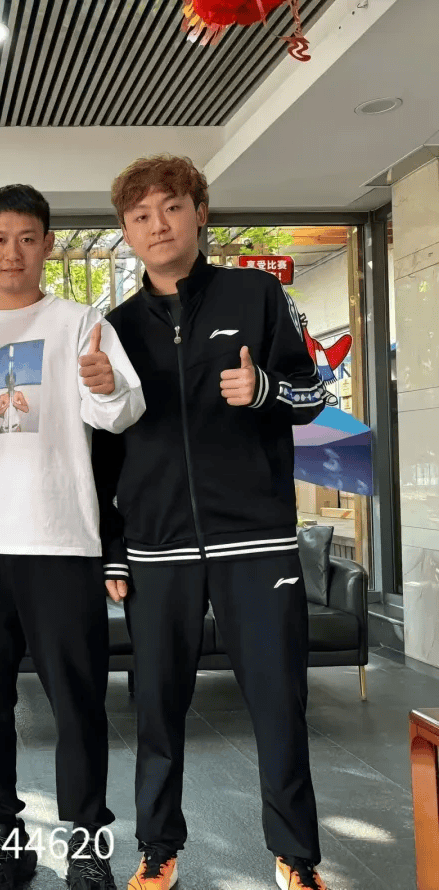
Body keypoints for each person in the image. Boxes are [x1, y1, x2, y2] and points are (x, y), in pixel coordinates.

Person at [93, 155, 334, 890]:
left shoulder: (256, 294)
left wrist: (263, 389)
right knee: (156, 710)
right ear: (126, 232)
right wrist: (113, 548)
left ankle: (296, 858)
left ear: (199, 212)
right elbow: (104, 449)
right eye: (140, 216)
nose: (157, 225)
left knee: (279, 704)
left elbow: (312, 394)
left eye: (171, 207)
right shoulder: (115, 328)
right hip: (156, 548)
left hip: (257, 542)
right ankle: (158, 849)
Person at [0, 184, 146, 890]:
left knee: (78, 704)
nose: (13, 253)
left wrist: (105, 383)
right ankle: (2, 835)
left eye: (27, 238)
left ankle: (86, 845)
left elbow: (118, 412)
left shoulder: (80, 322)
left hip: (60, 544)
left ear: (48, 246)